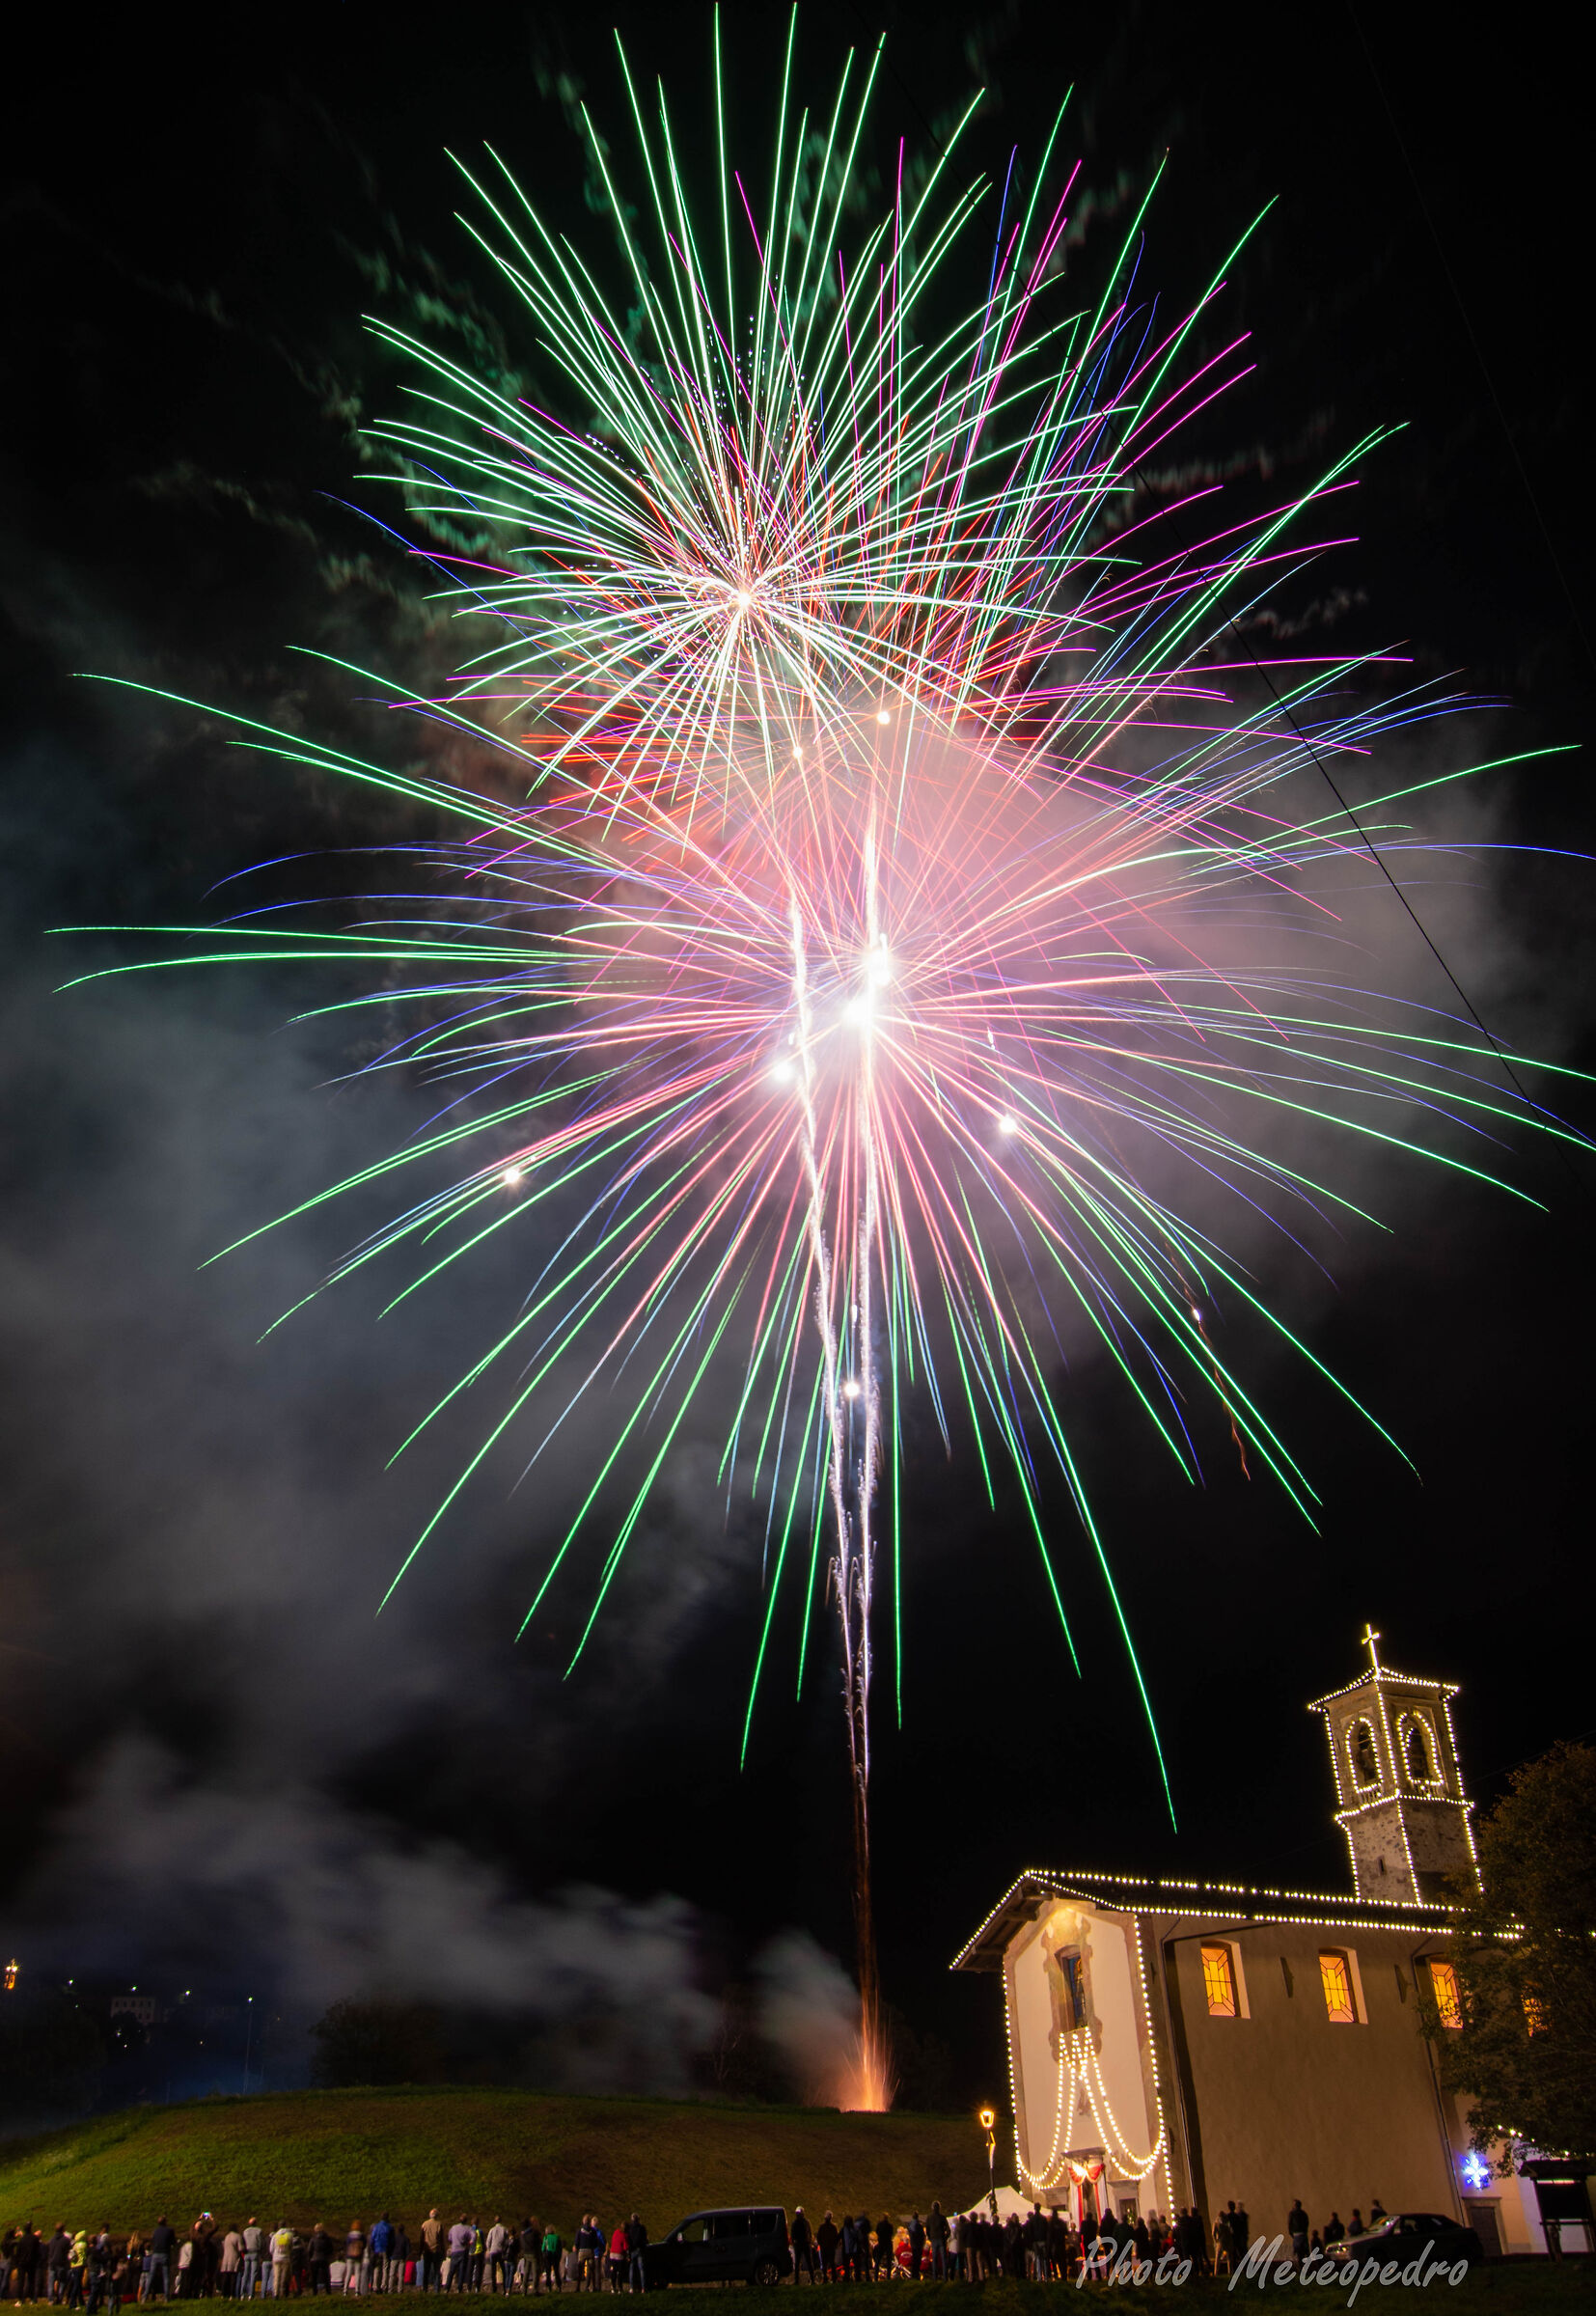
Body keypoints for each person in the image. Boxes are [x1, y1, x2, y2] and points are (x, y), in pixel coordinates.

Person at [147, 2220, 178, 2305]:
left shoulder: (155, 2231)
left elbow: (153, 2241)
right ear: (165, 2222)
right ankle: (166, 2298)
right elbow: (173, 2242)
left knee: (151, 2276)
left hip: (155, 2254)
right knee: (166, 2277)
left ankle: (144, 2297)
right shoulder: (169, 2230)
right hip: (164, 2253)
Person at [788, 2210, 813, 2287]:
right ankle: (812, 2279)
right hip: (804, 2244)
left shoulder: (795, 2223)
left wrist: (793, 2242)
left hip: (799, 2244)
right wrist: (809, 2241)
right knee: (808, 2262)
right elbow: (809, 2232)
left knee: (798, 2263)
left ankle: (797, 2280)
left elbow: (792, 2233)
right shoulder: (806, 2222)